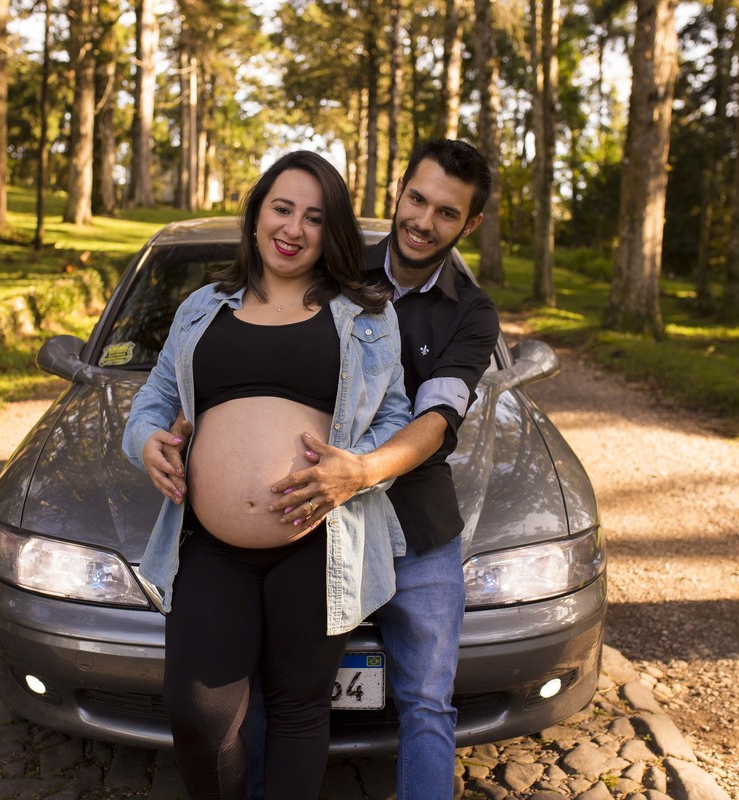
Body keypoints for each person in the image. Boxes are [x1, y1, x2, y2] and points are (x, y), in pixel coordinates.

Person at [121, 150, 412, 800]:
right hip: (210, 545)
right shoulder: (203, 307)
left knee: (300, 709)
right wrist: (147, 444)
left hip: (321, 542)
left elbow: (397, 418)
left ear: (330, 231)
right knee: (198, 714)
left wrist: (357, 472)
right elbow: (152, 405)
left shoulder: (366, 317)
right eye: (282, 208)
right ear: (256, 217)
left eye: (314, 217)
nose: (294, 228)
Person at [267, 139, 499, 800]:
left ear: (469, 225)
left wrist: (362, 471)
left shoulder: (472, 314)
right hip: (320, 518)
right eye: (417, 199)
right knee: (287, 694)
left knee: (427, 704)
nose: (424, 221)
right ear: (398, 192)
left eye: (447, 213)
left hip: (419, 528)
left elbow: (435, 421)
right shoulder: (331, 267)